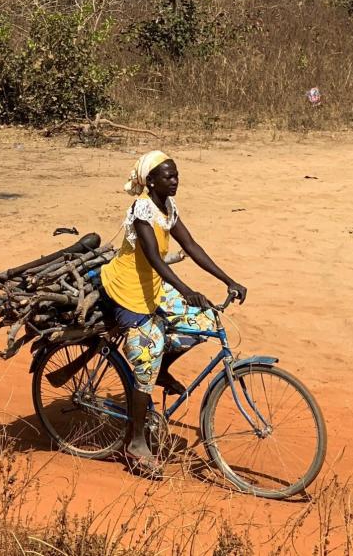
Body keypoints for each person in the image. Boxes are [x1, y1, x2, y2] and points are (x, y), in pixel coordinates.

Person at [98, 150, 246, 477]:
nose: (175, 180)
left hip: (153, 288)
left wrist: (228, 279)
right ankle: (136, 443)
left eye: (176, 175)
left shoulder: (168, 207)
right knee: (147, 352)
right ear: (151, 181)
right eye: (168, 176)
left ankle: (162, 370)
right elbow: (154, 258)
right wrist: (185, 290)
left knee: (204, 319)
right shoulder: (142, 210)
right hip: (127, 292)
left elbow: (191, 247)